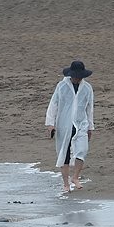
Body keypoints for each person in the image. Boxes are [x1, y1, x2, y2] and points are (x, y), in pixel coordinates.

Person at [45, 60, 95, 193]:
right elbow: (53, 104)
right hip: (64, 124)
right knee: (64, 154)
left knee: (82, 151)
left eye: (79, 77)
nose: (77, 79)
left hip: (81, 123)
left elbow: (89, 108)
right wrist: (50, 124)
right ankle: (66, 184)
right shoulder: (61, 86)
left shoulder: (87, 88)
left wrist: (90, 126)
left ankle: (75, 177)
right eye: (75, 76)